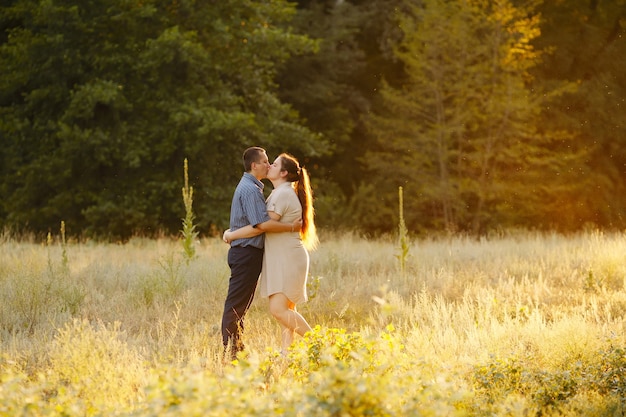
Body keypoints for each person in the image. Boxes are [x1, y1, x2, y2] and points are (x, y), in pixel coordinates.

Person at [224, 153, 318, 354]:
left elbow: (262, 226)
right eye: (267, 162)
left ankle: (321, 345)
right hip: (285, 257)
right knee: (287, 311)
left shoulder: (282, 193)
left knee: (278, 310)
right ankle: (286, 356)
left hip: (288, 258)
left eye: (273, 164)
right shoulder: (279, 192)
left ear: (283, 172)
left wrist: (232, 234)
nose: (269, 166)